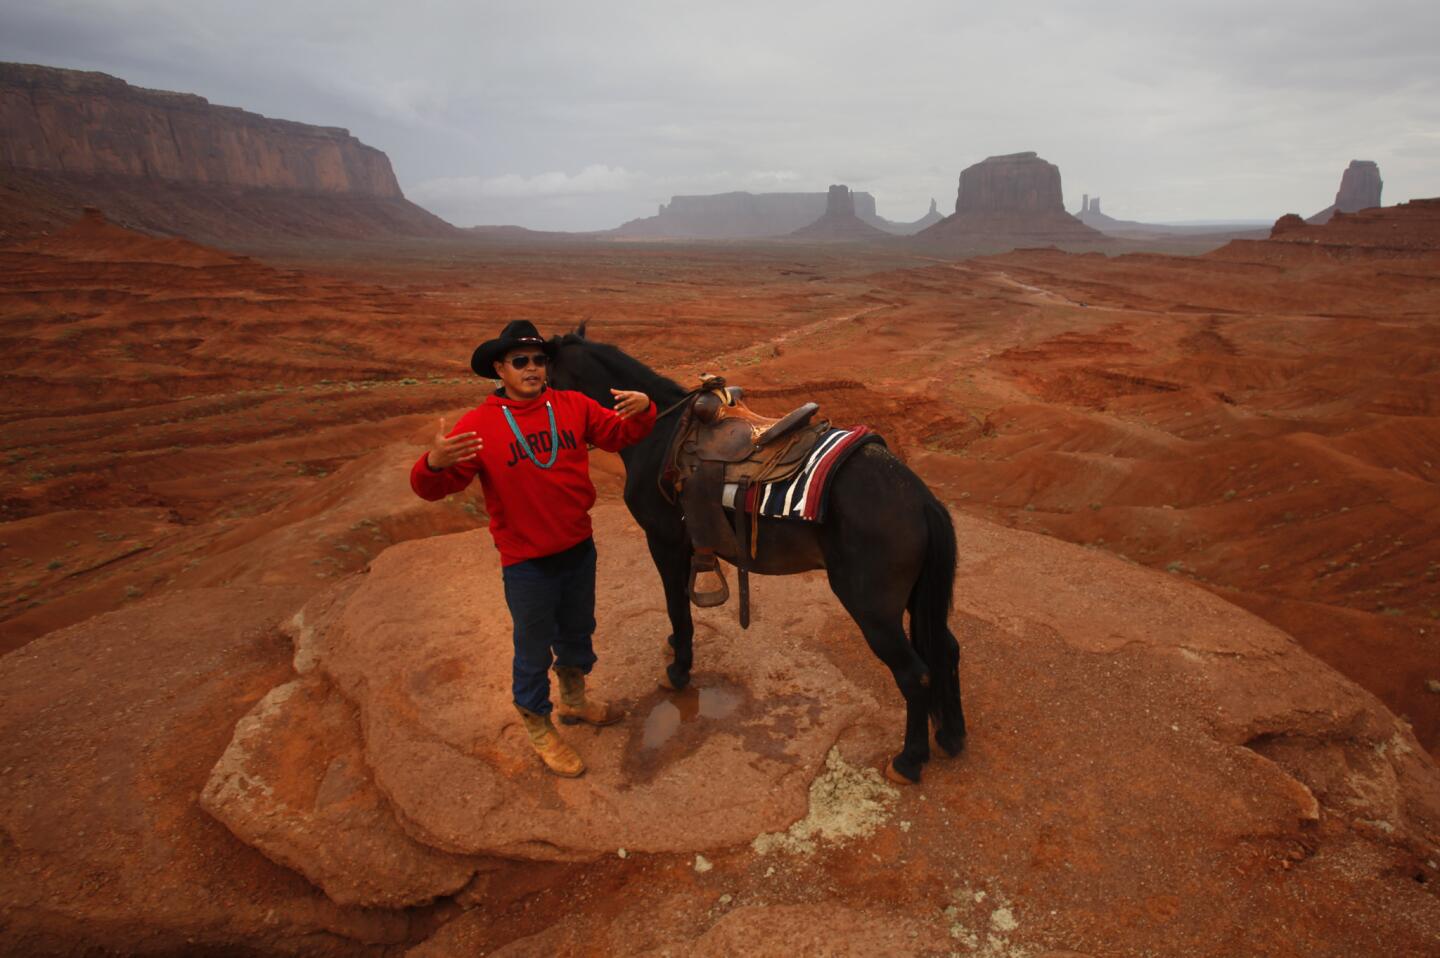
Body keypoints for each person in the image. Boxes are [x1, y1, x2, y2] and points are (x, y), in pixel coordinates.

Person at [409, 320, 655, 777]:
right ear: (499, 369)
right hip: (527, 563)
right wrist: (432, 463)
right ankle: (539, 724)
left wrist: (643, 410)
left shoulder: (574, 405)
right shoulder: (479, 425)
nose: (532, 368)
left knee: (579, 630)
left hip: (578, 547)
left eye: (539, 360)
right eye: (520, 361)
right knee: (533, 648)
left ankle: (575, 701)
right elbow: (431, 489)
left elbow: (621, 436)